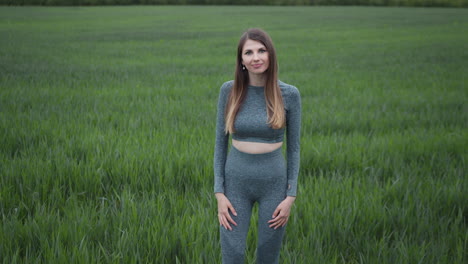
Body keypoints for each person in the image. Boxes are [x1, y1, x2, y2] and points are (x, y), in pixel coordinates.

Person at [213, 28, 301, 264]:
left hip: (274, 185)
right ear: (241, 60)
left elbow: (294, 149)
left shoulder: (289, 94)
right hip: (235, 184)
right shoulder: (229, 91)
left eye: (261, 50)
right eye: (248, 52)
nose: (256, 57)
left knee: (267, 254)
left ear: (270, 55)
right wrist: (219, 193)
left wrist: (290, 196)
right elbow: (219, 145)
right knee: (232, 254)